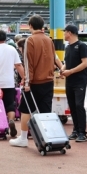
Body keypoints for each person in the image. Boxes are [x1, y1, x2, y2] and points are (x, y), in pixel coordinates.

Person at [9, 15, 54, 147]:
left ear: (30, 26)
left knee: (26, 110)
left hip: (34, 83)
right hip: (48, 80)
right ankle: (46, 137)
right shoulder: (49, 40)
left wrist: (27, 82)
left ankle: (23, 138)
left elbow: (28, 64)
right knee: (45, 111)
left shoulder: (30, 40)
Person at [60, 25, 87, 142]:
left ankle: (83, 132)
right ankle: (76, 130)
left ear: (70, 33)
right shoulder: (68, 47)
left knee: (79, 105)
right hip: (70, 81)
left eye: (64, 32)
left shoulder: (82, 46)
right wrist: (62, 69)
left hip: (80, 81)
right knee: (72, 106)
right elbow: (67, 62)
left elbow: (85, 63)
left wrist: (70, 71)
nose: (63, 34)